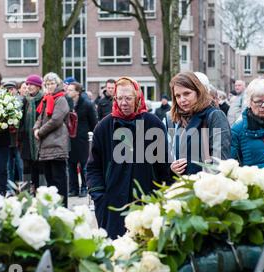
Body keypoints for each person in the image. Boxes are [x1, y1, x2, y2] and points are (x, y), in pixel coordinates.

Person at [86, 76, 171, 239]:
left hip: (146, 205)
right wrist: (99, 197)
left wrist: (161, 199)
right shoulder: (103, 127)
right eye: (119, 98)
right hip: (112, 206)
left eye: (128, 98)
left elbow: (164, 167)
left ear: (138, 98)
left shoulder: (153, 124)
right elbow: (93, 167)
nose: (123, 103)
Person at [169, 72, 231, 176]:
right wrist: (173, 168)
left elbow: (220, 162)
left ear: (198, 92)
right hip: (186, 186)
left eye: (187, 93)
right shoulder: (181, 120)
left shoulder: (214, 115)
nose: (182, 100)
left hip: (206, 187)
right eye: (178, 96)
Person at [34, 73, 70, 207]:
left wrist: (40, 131)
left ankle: (62, 207)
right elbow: (40, 117)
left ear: (57, 84)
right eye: (47, 84)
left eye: (52, 83)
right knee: (50, 180)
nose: (49, 86)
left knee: (59, 180)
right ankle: (52, 207)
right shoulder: (46, 99)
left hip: (57, 144)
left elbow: (56, 120)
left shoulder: (60, 99)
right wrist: (35, 128)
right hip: (46, 146)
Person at [66, 82, 98, 198]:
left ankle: (84, 188)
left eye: (70, 90)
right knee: (71, 164)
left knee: (84, 164)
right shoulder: (67, 104)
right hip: (70, 138)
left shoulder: (87, 104)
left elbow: (94, 122)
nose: (68, 92)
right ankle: (73, 188)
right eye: (67, 90)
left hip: (83, 139)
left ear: (77, 92)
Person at [19, 74, 45, 194]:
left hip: (40, 139)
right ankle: (26, 193)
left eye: (32, 84)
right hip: (26, 140)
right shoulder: (25, 100)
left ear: (38, 86)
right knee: (27, 166)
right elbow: (21, 120)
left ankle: (41, 192)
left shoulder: (43, 99)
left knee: (39, 167)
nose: (28, 86)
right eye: (27, 84)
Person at [4, 81, 23, 195]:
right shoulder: (1, 103)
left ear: (16, 90)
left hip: (18, 139)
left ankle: (22, 189)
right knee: (8, 167)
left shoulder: (21, 101)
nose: (10, 91)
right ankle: (9, 189)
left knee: (21, 166)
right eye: (7, 89)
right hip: (6, 140)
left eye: (12, 89)